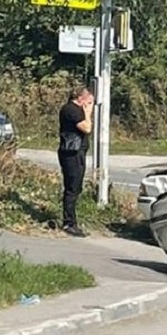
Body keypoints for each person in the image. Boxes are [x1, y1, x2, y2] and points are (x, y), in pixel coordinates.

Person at [58, 85, 93, 237]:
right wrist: (88, 113)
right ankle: (69, 223)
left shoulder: (74, 109)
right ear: (80, 98)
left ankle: (71, 220)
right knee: (72, 187)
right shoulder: (71, 110)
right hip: (71, 153)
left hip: (77, 152)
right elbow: (86, 128)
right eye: (88, 100)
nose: (90, 103)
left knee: (76, 186)